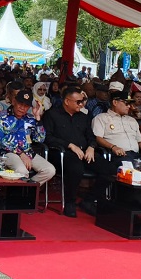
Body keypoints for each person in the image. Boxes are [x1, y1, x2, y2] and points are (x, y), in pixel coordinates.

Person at [43, 86, 96, 217]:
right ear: (67, 101)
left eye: (82, 101)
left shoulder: (83, 117)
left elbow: (91, 136)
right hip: (61, 153)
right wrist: (69, 145)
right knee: (76, 168)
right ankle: (70, 202)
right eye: (78, 102)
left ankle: (88, 200)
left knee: (109, 169)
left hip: (85, 153)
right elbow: (47, 138)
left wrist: (91, 147)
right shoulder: (52, 114)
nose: (81, 104)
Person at [91, 91, 141, 194]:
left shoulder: (132, 120)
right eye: (126, 103)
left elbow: (140, 142)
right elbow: (98, 138)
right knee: (131, 168)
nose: (129, 106)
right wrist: (113, 147)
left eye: (130, 104)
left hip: (136, 155)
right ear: (115, 102)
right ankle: (132, 200)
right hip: (118, 155)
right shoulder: (101, 118)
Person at [0, 89, 54, 185]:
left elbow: (40, 139)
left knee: (49, 170)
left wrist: (38, 118)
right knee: (22, 171)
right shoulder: (1, 116)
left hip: (28, 153)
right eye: (20, 104)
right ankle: (23, 190)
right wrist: (21, 154)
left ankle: (29, 189)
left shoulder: (30, 118)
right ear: (14, 102)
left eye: (26, 106)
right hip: (7, 153)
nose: (22, 108)